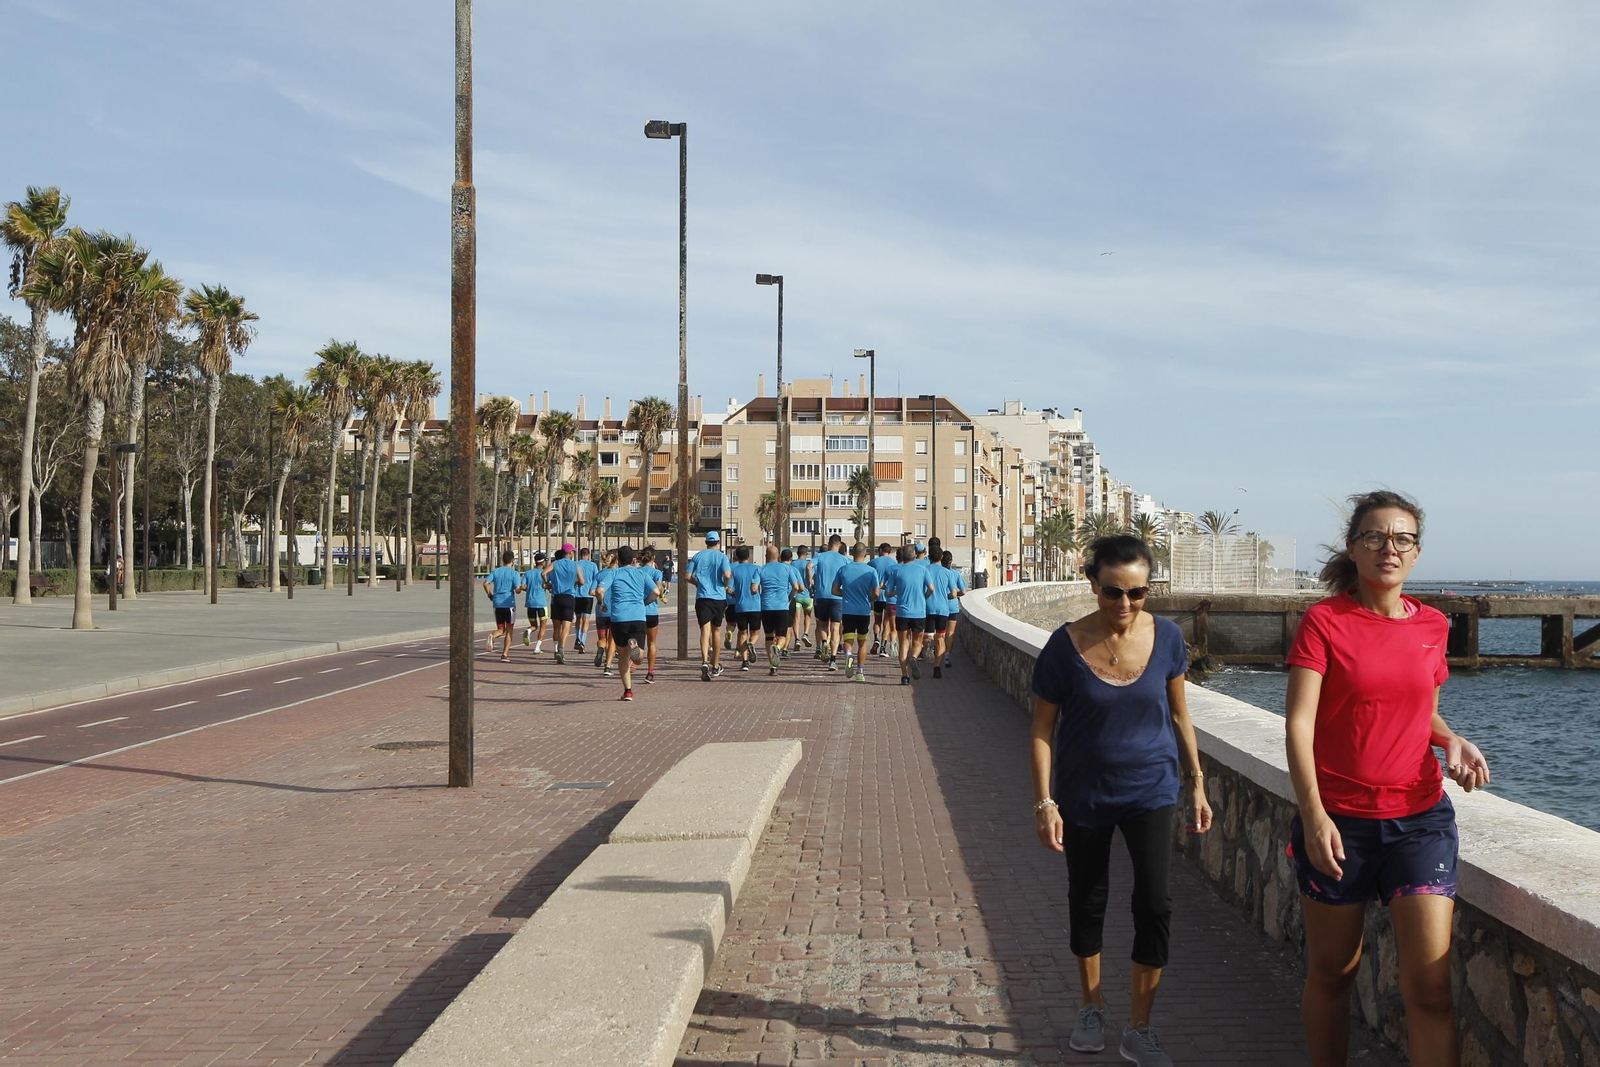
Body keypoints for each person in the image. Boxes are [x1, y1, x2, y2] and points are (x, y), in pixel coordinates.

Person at [1286, 491, 1489, 1067]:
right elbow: (1299, 725)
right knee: (1333, 972)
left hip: (1420, 820)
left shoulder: (1431, 624)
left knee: (1430, 989)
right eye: (1374, 537)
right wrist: (1313, 813)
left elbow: (1419, 707)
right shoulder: (1324, 622)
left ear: (1417, 553)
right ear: (1353, 549)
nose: (1388, 548)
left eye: (1401, 539)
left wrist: (1451, 740)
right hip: (1339, 823)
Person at [1030, 534, 1212, 1065]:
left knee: (1154, 903)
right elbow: (1042, 730)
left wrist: (1196, 781)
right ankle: (1090, 1005)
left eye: (1138, 592)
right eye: (1113, 592)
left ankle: (1139, 1026)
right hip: (1083, 794)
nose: (1126, 605)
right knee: (1087, 899)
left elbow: (1180, 715)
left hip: (1152, 790)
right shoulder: (1064, 647)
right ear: (1093, 584)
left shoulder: (1170, 637)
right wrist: (1044, 803)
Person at [604, 545, 656, 701]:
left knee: (623, 656)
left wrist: (602, 603)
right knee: (638, 657)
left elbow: (599, 590)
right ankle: (636, 648)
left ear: (618, 560)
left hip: (619, 618)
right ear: (634, 560)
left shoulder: (614, 573)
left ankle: (628, 691)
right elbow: (656, 592)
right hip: (638, 616)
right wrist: (645, 602)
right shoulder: (641, 574)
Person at [687, 530, 733, 681]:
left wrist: (698, 583)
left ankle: (704, 661)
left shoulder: (698, 556)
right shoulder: (722, 556)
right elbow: (727, 575)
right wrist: (724, 585)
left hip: (703, 597)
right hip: (718, 597)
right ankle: (715, 665)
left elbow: (687, 575)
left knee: (704, 631)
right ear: (718, 542)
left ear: (706, 542)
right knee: (716, 630)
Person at [834, 542, 881, 683]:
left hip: (848, 610)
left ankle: (848, 654)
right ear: (865, 554)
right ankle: (860, 671)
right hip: (863, 611)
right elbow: (877, 593)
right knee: (862, 642)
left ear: (852, 553)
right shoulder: (871, 571)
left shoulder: (843, 569)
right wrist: (869, 599)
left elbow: (834, 590)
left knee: (848, 640)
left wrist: (846, 593)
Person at [883, 545, 928, 685]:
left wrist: (897, 592)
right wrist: (924, 597)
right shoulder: (922, 570)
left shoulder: (896, 571)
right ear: (914, 556)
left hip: (902, 612)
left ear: (902, 556)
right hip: (919, 612)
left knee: (903, 643)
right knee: (917, 642)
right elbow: (931, 588)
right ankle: (914, 656)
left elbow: (887, 592)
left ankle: (904, 676)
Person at [758, 545, 802, 675]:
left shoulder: (762, 569)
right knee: (782, 636)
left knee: (768, 637)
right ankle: (777, 648)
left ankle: (772, 666)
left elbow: (754, 588)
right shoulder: (786, 568)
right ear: (778, 556)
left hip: (766, 606)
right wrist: (790, 597)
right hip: (782, 606)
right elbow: (796, 586)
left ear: (766, 556)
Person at [811, 535, 850, 670]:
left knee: (822, 625)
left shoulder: (820, 556)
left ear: (829, 543)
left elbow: (809, 566)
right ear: (839, 545)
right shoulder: (844, 559)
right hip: (837, 597)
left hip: (821, 595)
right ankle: (833, 660)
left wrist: (809, 582)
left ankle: (823, 642)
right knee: (835, 628)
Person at [481, 549, 525, 662]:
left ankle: (493, 636)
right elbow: (517, 590)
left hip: (497, 603)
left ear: (503, 560)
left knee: (501, 629)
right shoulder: (514, 573)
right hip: (509, 604)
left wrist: (490, 595)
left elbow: (485, 583)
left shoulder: (496, 572)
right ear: (512, 560)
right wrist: (522, 588)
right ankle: (504, 654)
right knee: (509, 630)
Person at [547, 547, 584, 665]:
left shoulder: (555, 564)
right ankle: (561, 650)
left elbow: (543, 573)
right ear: (569, 553)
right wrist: (576, 583)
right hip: (569, 597)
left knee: (556, 627)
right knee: (566, 627)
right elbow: (582, 581)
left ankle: (556, 649)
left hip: (556, 598)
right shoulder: (575, 565)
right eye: (572, 551)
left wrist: (548, 584)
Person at [729, 545, 763, 671]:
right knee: (755, 632)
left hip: (740, 606)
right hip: (755, 606)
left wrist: (734, 595)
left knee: (742, 633)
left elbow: (729, 589)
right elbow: (759, 586)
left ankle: (745, 662)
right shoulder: (757, 569)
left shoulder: (735, 570)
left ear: (737, 557)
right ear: (749, 556)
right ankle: (752, 644)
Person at [925, 552, 958, 679]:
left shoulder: (924, 570)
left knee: (927, 635)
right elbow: (954, 594)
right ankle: (937, 666)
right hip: (943, 610)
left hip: (927, 608)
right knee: (940, 637)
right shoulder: (948, 573)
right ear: (941, 558)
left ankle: (928, 648)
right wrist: (946, 596)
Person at [638, 545, 666, 684]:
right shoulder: (656, 573)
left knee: (638, 641)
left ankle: (634, 662)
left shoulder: (637, 572)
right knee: (652, 642)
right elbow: (659, 590)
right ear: (653, 558)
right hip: (651, 611)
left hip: (637, 612)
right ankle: (650, 672)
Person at [869, 542, 898, 656]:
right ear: (889, 552)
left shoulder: (873, 562)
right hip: (889, 597)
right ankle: (883, 647)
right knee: (886, 623)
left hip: (877, 596)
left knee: (877, 620)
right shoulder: (894, 563)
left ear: (880, 550)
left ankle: (876, 637)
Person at [591, 552, 617, 673]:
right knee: (612, 639)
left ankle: (601, 648)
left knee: (602, 637)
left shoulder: (600, 574)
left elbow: (592, 591)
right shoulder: (617, 574)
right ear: (616, 561)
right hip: (614, 611)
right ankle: (608, 665)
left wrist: (601, 599)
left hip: (601, 611)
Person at [941, 550, 966, 667]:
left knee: (940, 632)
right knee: (950, 632)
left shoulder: (938, 572)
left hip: (939, 605)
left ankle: (937, 653)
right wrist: (955, 594)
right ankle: (947, 656)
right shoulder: (955, 574)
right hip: (952, 606)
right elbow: (964, 591)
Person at [573, 547, 599, 655]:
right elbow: (596, 579)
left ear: (580, 555)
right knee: (586, 619)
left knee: (578, 618)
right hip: (588, 595)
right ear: (588, 555)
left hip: (577, 594)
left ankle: (578, 638)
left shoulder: (575, 565)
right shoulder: (593, 565)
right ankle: (583, 641)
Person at [523, 551, 549, 651]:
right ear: (542, 563)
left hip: (530, 603)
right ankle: (537, 648)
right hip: (541, 603)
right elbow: (548, 585)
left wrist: (529, 589)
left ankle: (529, 630)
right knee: (543, 626)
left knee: (534, 625)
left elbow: (523, 586)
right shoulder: (545, 573)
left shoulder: (527, 573)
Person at [793, 544, 815, 650]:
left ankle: (797, 639)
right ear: (806, 554)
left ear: (797, 553)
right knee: (808, 615)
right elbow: (812, 579)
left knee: (796, 618)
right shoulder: (809, 564)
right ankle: (805, 634)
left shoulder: (792, 564)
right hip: (807, 595)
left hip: (796, 595)